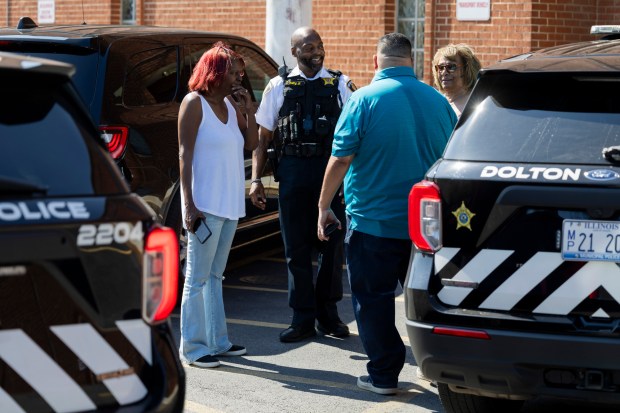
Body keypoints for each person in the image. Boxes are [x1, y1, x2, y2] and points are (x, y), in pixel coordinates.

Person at [317, 33, 457, 395]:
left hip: (373, 223)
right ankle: (440, 369)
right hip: (426, 226)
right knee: (429, 300)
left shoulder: (363, 99)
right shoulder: (438, 101)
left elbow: (342, 158)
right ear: (413, 60)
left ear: (376, 62)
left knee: (373, 301)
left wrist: (323, 207)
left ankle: (384, 374)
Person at [250, 27, 356, 343]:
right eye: (309, 47)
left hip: (330, 174)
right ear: (295, 50)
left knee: (331, 248)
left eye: (319, 45)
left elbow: (354, 132)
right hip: (293, 175)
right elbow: (262, 138)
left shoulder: (340, 84)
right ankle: (301, 319)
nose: (316, 51)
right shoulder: (278, 85)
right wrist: (256, 179)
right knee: (295, 249)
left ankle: (329, 316)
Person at [178, 42, 258, 368]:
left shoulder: (231, 103)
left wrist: (249, 110)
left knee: (215, 276)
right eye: (235, 71)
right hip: (205, 206)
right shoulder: (193, 104)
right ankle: (194, 349)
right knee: (197, 278)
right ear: (217, 72)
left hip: (229, 205)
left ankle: (217, 341)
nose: (240, 76)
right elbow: (183, 156)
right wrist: (188, 204)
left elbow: (252, 144)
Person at [432, 43, 481, 117]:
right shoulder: (436, 102)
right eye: (440, 67)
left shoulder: (475, 107)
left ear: (466, 70)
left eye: (451, 67)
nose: (444, 72)